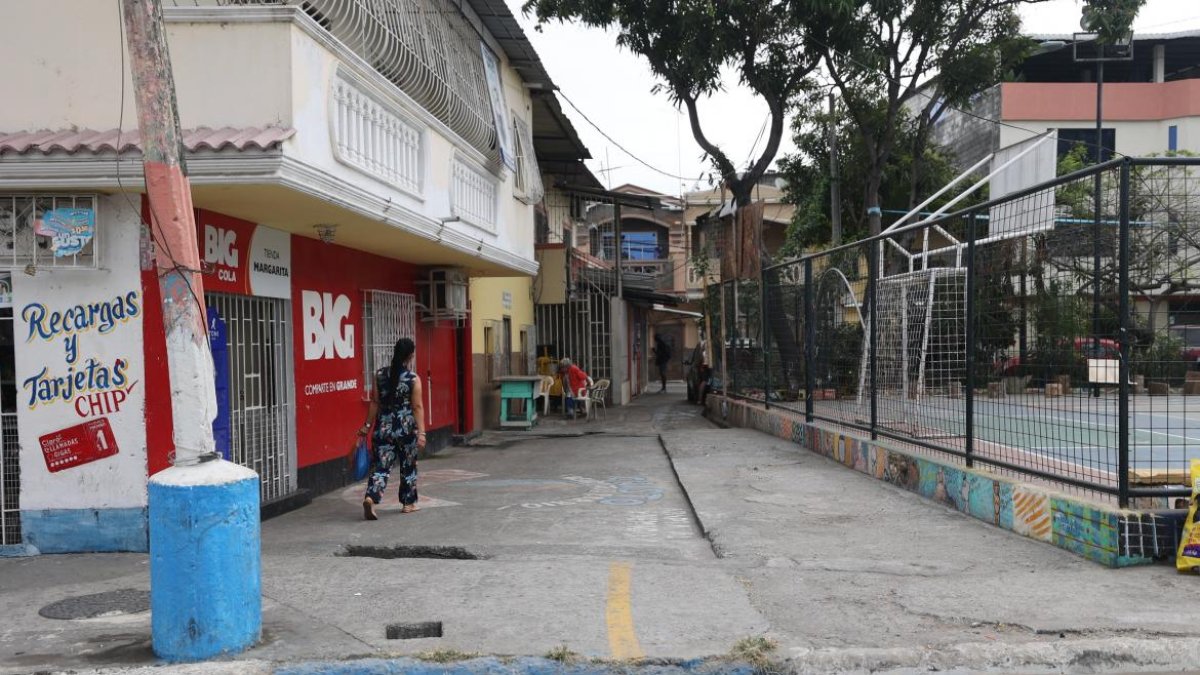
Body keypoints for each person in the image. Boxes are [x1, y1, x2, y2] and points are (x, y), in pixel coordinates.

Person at [358, 337, 426, 520]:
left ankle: (371, 498)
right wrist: (422, 432)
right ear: (411, 356)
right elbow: (417, 407)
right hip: (406, 430)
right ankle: (408, 503)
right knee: (408, 466)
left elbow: (374, 402)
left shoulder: (380, 375)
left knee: (381, 467)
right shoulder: (413, 379)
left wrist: (366, 426)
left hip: (383, 429)